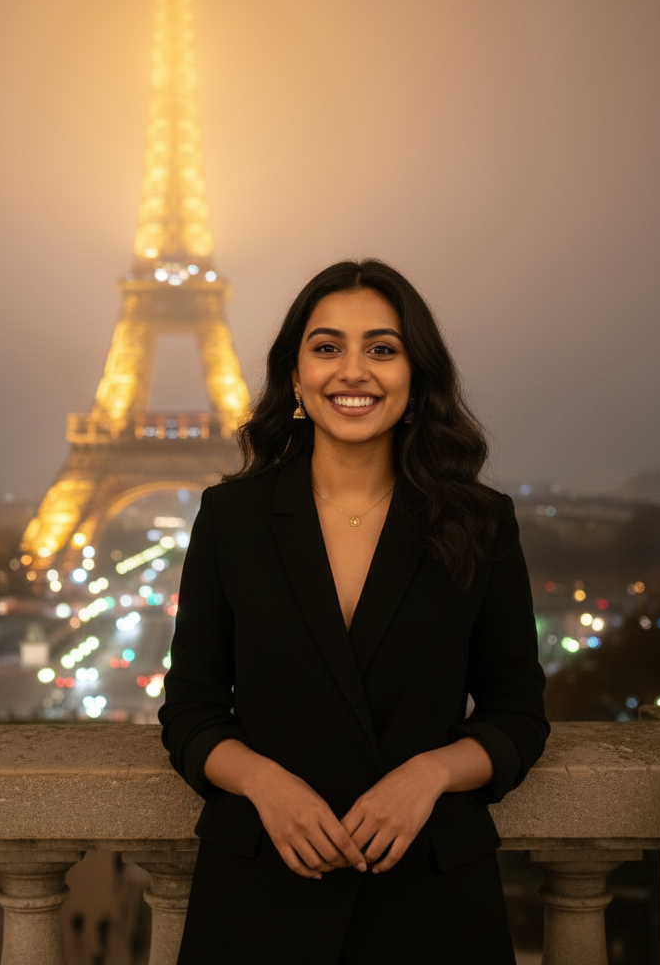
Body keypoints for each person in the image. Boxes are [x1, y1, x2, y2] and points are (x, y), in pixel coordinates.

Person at [158, 259, 549, 964]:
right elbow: (190, 707)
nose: (353, 371)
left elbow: (517, 713)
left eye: (383, 348)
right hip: (263, 892)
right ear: (297, 373)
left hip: (428, 894)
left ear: (416, 374)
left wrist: (428, 775)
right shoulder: (232, 518)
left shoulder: (481, 523)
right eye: (328, 346)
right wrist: (263, 783)